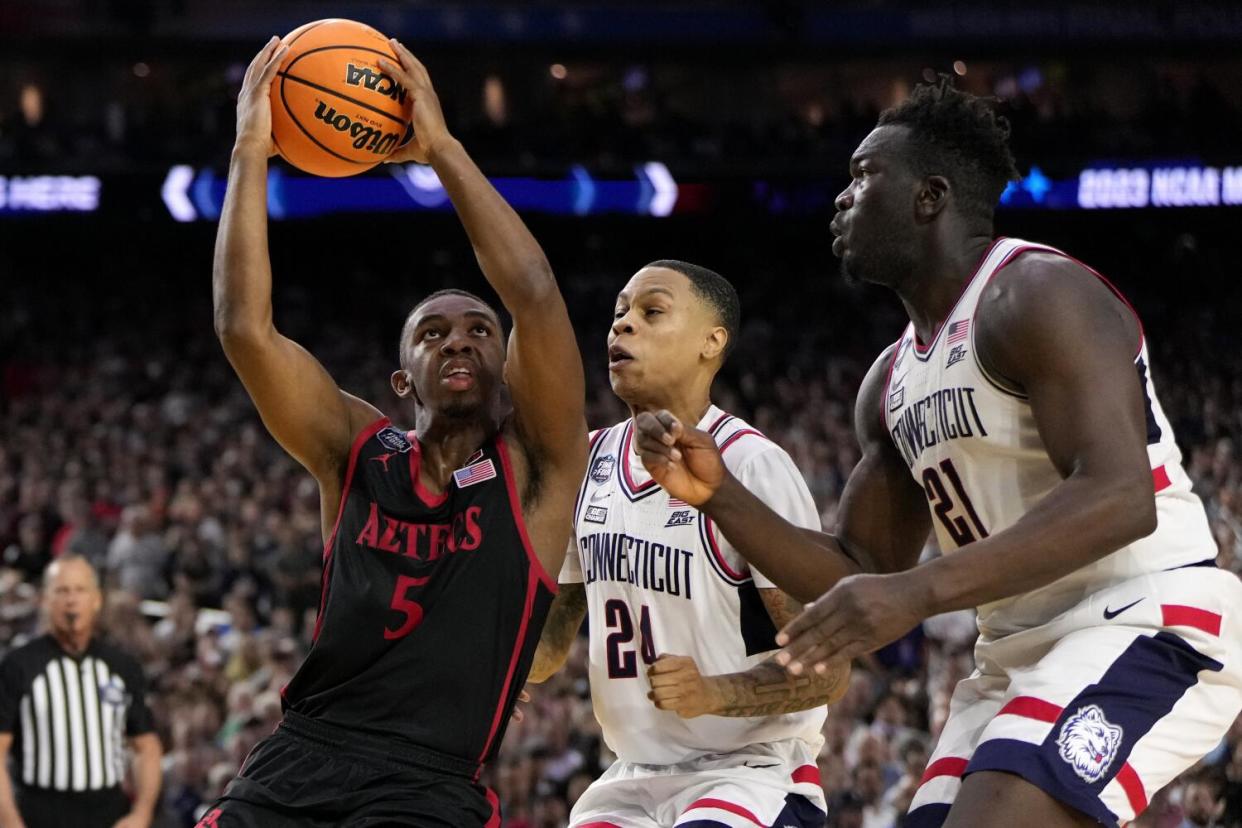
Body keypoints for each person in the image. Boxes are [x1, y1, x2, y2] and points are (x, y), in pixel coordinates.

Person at [634, 76, 1242, 827]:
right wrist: (720, 494)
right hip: (1015, 655)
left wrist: (917, 595)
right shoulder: (888, 382)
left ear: (930, 197)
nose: (841, 197)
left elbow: (1120, 497)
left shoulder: (1035, 294)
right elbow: (860, 571)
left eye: (863, 176)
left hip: (1147, 616)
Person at [198, 36, 586, 827]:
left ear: (506, 366)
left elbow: (536, 293)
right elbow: (245, 328)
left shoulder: (539, 464)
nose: (458, 340)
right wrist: (250, 151)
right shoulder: (356, 451)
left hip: (429, 785)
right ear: (401, 379)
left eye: (479, 330)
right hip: (298, 758)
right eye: (434, 332)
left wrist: (439, 147)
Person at [529, 260, 847, 828]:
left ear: (711, 342)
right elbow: (551, 644)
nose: (623, 326)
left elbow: (828, 672)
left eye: (651, 312)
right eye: (619, 312)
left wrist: (713, 692)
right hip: (633, 775)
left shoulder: (752, 466)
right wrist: (492, 671)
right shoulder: (589, 461)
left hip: (752, 772)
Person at [0, 555, 162, 828]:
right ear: (45, 599)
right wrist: (10, 821)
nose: (71, 600)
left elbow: (146, 747)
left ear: (96, 599)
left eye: (79, 590)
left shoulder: (121, 667)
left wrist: (142, 813)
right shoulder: (18, 666)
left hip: (108, 815)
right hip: (37, 814)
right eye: (62, 591)